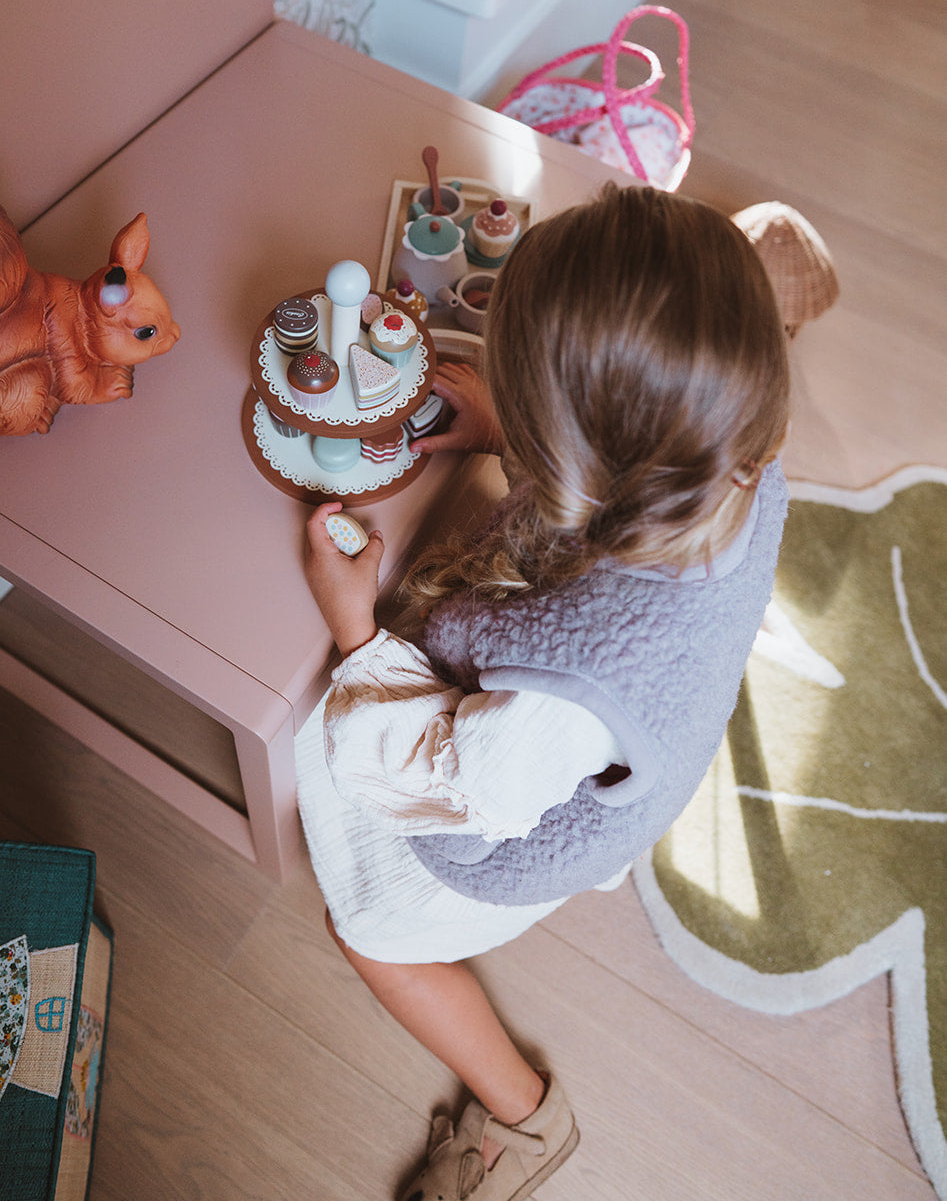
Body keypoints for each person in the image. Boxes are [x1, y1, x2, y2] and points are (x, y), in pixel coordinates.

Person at [297, 183, 790, 1201]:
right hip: (637, 732)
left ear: (573, 452)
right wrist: (503, 424)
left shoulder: (560, 700)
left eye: (524, 402)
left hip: (515, 813)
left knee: (371, 936)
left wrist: (354, 628)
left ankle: (521, 1117)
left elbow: (451, 777)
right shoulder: (727, 457)